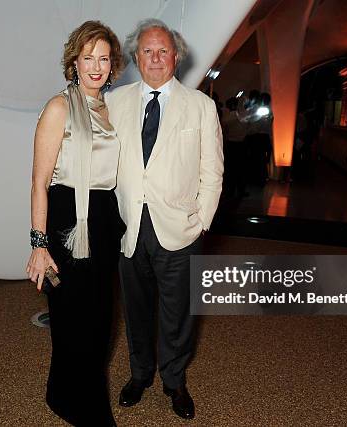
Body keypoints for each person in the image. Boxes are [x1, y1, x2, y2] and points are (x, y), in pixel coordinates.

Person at [106, 18, 223, 420]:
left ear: (177, 56)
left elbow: (213, 171)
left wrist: (202, 221)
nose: (155, 58)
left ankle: (174, 380)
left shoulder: (201, 106)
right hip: (129, 228)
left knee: (178, 313)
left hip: (180, 229)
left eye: (163, 50)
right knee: (136, 309)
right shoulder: (115, 102)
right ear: (136, 58)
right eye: (147, 51)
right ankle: (140, 374)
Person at [25, 21, 125, 427]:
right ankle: (90, 410)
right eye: (89, 58)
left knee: (100, 319)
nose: (96, 66)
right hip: (68, 221)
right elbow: (38, 180)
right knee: (72, 318)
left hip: (104, 220)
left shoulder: (112, 108)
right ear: (74, 62)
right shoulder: (59, 107)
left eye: (103, 58)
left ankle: (60, 393)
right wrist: (38, 242)